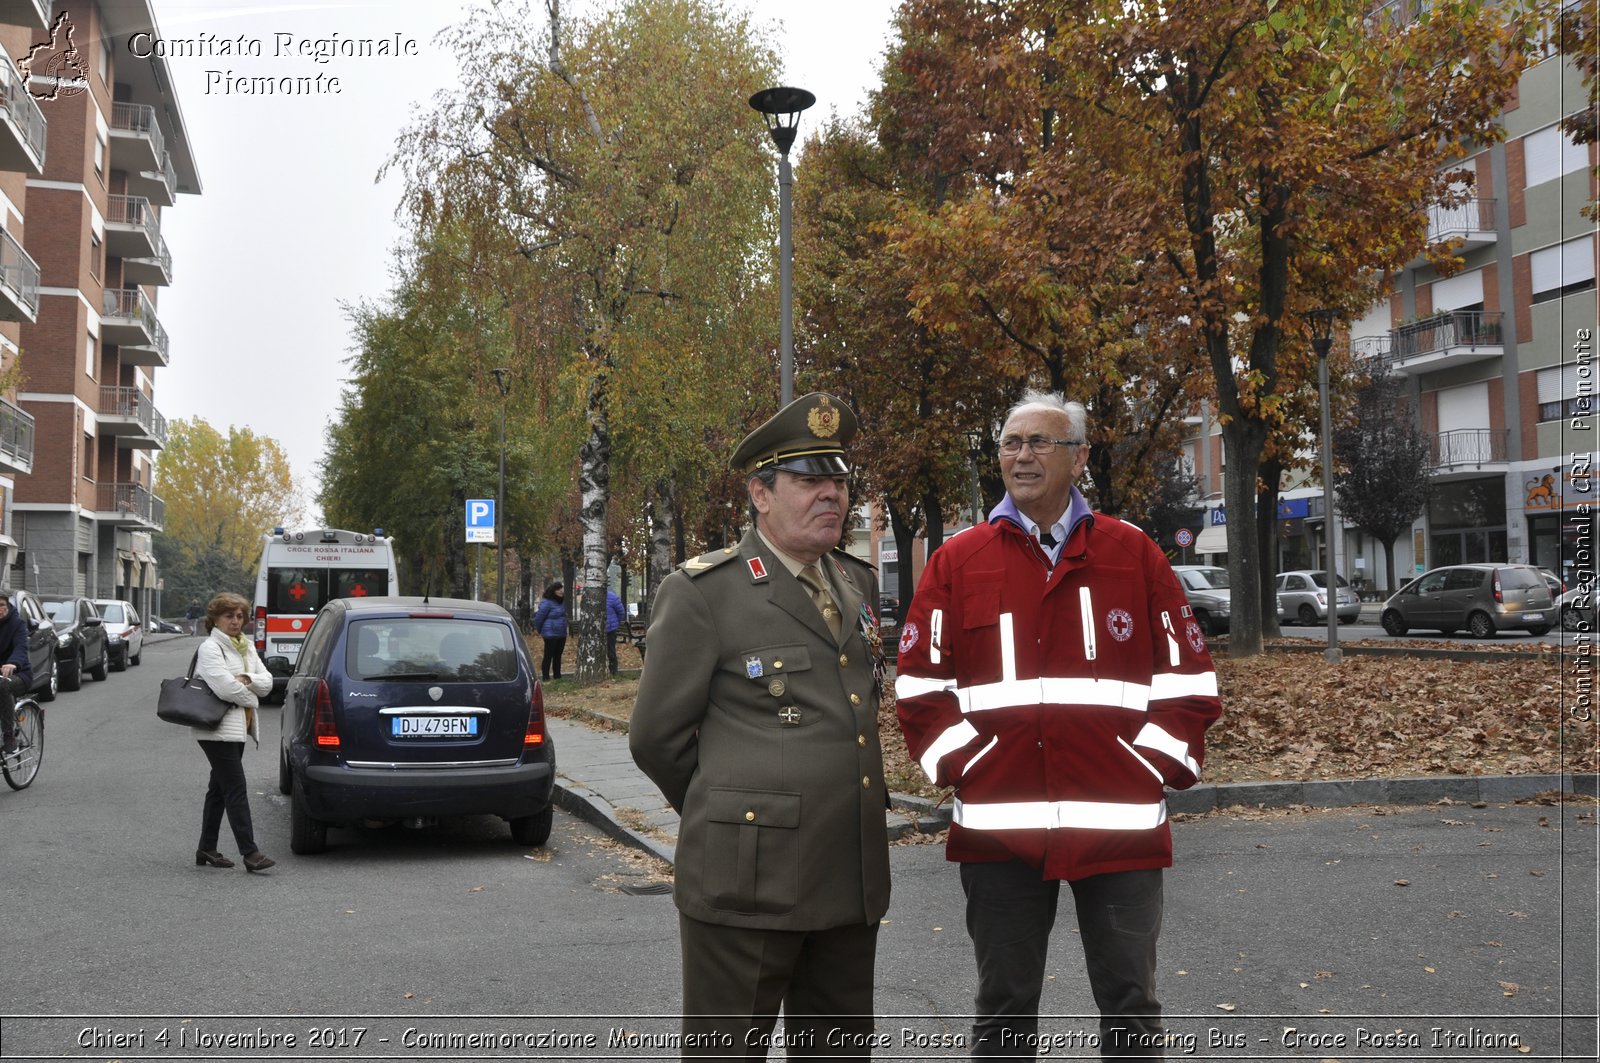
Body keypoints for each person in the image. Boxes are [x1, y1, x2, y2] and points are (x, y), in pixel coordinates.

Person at [895, 390, 1223, 1059]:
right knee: (1004, 1007)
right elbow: (920, 689)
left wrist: (1149, 768)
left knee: (1131, 1005)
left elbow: (1189, 680)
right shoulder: (956, 561)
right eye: (1011, 443)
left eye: (1038, 442)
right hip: (1000, 831)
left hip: (1119, 827)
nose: (1021, 455)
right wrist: (967, 770)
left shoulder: (1134, 555)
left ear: (1077, 457)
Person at [629, 392, 891, 1059]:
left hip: (847, 875)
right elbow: (655, 737)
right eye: (809, 480)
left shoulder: (855, 583)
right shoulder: (705, 591)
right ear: (760, 494)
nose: (831, 494)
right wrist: (732, 810)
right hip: (745, 886)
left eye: (838, 480)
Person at [191, 592, 276, 873]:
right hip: (216, 729)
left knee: (219, 788)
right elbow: (225, 688)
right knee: (236, 787)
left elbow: (268, 683)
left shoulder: (247, 646)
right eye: (229, 616)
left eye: (240, 616)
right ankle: (250, 853)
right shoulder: (210, 648)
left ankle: (206, 847)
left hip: (238, 727)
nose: (236, 621)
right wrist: (250, 694)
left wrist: (248, 679)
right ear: (215, 618)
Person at [0, 592, 33, 757]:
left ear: (8, 606)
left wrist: (13, 663)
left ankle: (9, 736)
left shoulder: (17, 623)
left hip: (19, 674)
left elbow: (21, 646)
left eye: (2, 605)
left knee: (2, 684)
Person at [530, 582, 567, 681]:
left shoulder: (561, 602)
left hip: (561, 633)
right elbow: (539, 618)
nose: (561, 591)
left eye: (561, 589)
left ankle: (557, 676)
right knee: (548, 655)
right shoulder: (546, 602)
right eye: (558, 589)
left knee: (558, 656)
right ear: (553, 591)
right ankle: (546, 677)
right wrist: (538, 630)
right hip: (550, 633)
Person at [604, 588, 625, 676]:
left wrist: (615, 623)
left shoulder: (612, 597)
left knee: (611, 652)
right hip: (597, 631)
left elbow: (621, 612)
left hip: (610, 630)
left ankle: (613, 671)